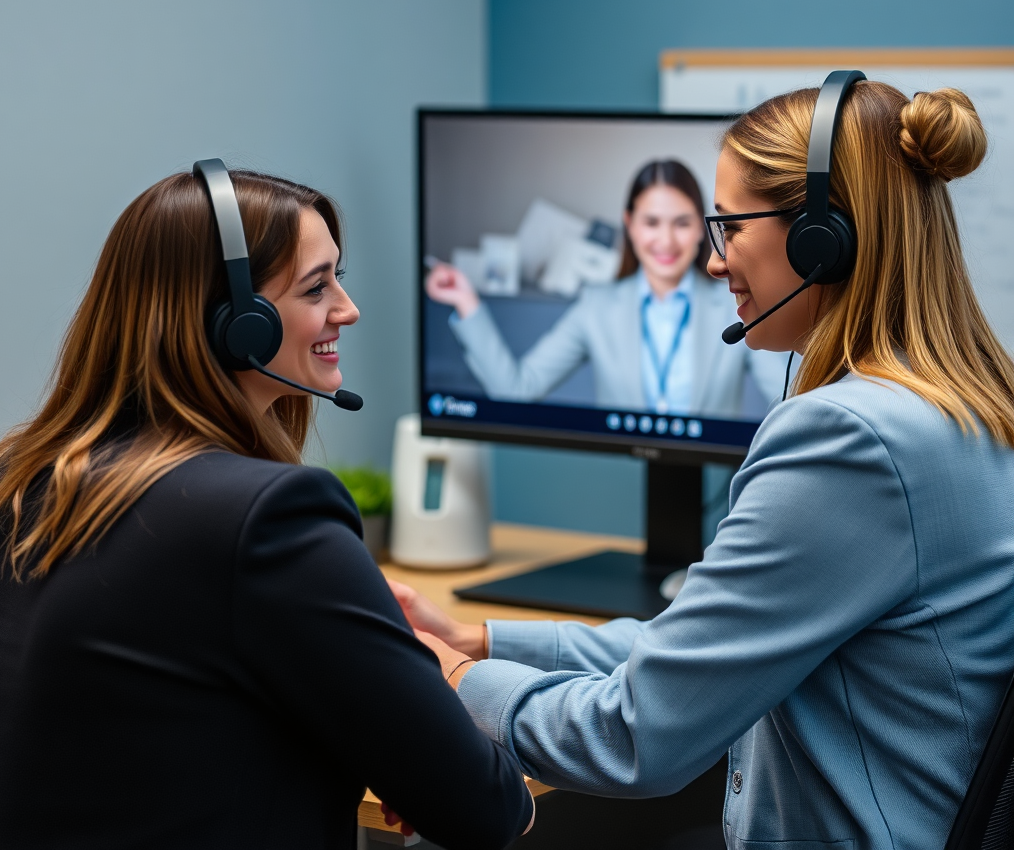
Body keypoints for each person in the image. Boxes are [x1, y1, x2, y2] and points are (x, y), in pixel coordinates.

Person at [393, 82, 1014, 850]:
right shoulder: (969, 406)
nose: (713, 261)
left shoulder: (848, 440)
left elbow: (635, 736)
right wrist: (477, 637)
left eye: (726, 226)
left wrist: (446, 679)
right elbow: (705, 651)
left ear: (822, 239)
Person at [0, 168, 533, 850]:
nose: (348, 307)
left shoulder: (16, 478)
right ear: (236, 326)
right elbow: (484, 808)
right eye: (317, 287)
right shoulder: (267, 518)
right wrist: (431, 673)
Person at [426, 159, 788, 419]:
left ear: (700, 229)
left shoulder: (736, 306)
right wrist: (466, 301)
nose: (666, 240)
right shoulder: (595, 307)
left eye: (681, 223)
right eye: (651, 223)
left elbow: (787, 402)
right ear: (629, 226)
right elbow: (516, 389)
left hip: (717, 502)